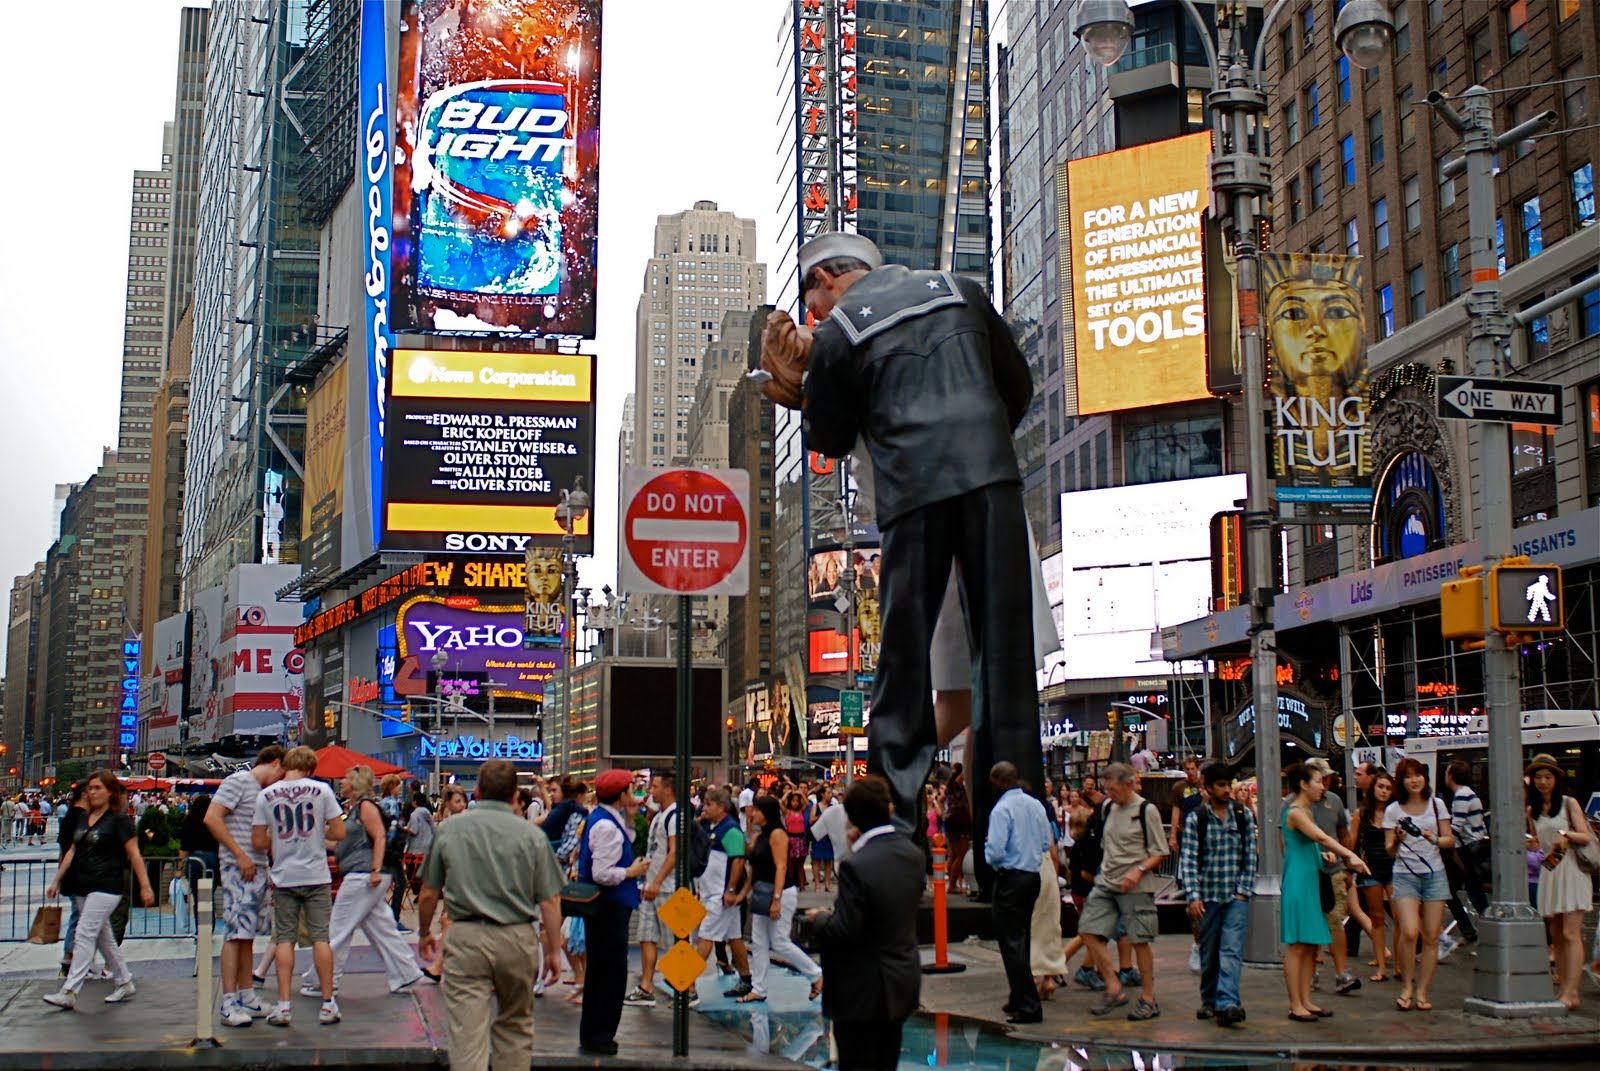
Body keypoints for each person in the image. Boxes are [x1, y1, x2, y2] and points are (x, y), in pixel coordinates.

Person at [761, 230, 1040, 852]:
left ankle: (897, 838)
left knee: (904, 663)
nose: (815, 318)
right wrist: (981, 447)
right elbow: (1017, 388)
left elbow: (828, 440)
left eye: (814, 302)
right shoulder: (962, 292)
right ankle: (1016, 846)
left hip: (913, 493)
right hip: (991, 478)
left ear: (826, 280)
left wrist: (805, 394)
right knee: (1005, 658)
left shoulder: (840, 333)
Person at [417, 760, 564, 1071]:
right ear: (515, 795)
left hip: (466, 936)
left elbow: (428, 892)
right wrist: (552, 950)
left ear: (478, 791)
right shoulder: (532, 836)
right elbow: (550, 900)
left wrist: (424, 933)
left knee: (467, 1034)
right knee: (515, 1027)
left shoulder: (450, 829)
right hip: (517, 937)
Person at [805, 776, 923, 1071]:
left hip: (862, 991)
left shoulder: (856, 866)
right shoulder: (913, 855)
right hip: (901, 981)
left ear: (851, 817)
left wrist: (819, 919)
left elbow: (845, 929)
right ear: (890, 809)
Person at [301, 766, 423, 998]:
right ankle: (406, 973)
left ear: (356, 783)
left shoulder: (365, 807)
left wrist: (375, 869)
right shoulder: (358, 808)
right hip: (368, 874)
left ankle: (324, 979)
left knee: (339, 928)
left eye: (346, 778)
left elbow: (379, 836)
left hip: (364, 875)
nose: (342, 781)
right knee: (381, 929)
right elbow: (348, 844)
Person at [42, 772, 155, 1010]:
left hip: (107, 885)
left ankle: (70, 990)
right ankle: (124, 980)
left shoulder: (119, 821)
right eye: (90, 788)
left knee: (85, 932)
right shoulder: (85, 818)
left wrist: (145, 885)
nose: (91, 792)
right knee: (104, 938)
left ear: (110, 792)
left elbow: (134, 854)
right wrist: (57, 880)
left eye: (97, 787)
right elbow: (73, 850)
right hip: (84, 885)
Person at [251, 745, 346, 1027]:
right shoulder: (323, 791)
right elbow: (339, 832)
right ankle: (328, 1003)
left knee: (284, 940)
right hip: (316, 875)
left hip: (284, 876)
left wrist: (277, 840)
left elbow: (258, 841)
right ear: (311, 768)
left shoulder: (266, 795)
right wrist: (319, 831)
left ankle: (283, 1005)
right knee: (321, 939)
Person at [1078, 763, 1168, 1021]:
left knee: (1139, 940)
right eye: (1106, 789)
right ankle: (1113, 986)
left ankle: (1148, 998)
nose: (1110, 794)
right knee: (1087, 928)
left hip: (1136, 886)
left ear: (1129, 783)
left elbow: (1160, 852)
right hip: (1106, 881)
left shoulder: (1145, 810)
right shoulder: (1108, 807)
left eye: (1113, 789)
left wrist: (1138, 870)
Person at [203, 744, 285, 1026]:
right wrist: (239, 854)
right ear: (275, 763)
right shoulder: (238, 781)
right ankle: (228, 1001)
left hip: (256, 866)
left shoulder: (260, 792)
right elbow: (212, 818)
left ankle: (246, 996)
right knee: (236, 933)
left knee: (246, 934)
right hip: (241, 866)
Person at [1282, 762, 1370, 1021]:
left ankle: (1306, 1000)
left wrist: (1326, 858)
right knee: (1298, 945)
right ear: (1303, 784)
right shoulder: (1296, 811)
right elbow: (1321, 838)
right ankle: (1295, 1004)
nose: (1323, 786)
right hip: (1299, 884)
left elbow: (1311, 847)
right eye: (1318, 781)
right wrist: (1349, 855)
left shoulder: (1305, 811)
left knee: (1310, 945)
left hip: (1310, 879)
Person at [575, 769, 650, 1056]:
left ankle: (596, 1033)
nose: (635, 795)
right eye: (631, 790)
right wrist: (632, 871)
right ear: (621, 794)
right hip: (609, 907)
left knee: (603, 971)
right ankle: (599, 1034)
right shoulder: (606, 826)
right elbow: (602, 873)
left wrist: (630, 816)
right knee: (609, 973)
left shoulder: (607, 819)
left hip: (608, 907)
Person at [1177, 763, 1257, 1028]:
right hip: (1208, 896)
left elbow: (1249, 856)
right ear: (1208, 788)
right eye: (1220, 785)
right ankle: (1209, 999)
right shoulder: (1196, 819)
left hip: (1236, 896)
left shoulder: (1243, 815)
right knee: (1209, 953)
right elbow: (1187, 860)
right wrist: (1193, 896)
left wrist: (1243, 892)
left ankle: (1227, 1002)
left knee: (1231, 950)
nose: (1226, 790)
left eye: (1228, 784)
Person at [982, 762, 1053, 1024]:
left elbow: (997, 851)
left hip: (1010, 877)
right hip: (1032, 876)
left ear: (999, 780)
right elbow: (1046, 842)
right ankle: (1018, 995)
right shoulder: (1036, 805)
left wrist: (989, 853)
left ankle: (1028, 1005)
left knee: (1011, 944)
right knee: (1022, 938)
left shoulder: (1001, 809)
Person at [1383, 758, 1453, 1012]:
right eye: (1408, 776)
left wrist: (1433, 838)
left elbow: (1449, 840)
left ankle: (1422, 991)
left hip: (1435, 874)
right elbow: (1389, 850)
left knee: (1431, 936)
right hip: (1404, 875)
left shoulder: (1437, 805)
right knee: (1410, 931)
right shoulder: (1393, 811)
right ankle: (1407, 986)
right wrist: (1399, 840)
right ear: (1401, 782)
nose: (1415, 780)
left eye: (1419, 775)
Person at [740, 794, 824, 1004]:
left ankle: (816, 974)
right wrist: (742, 893)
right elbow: (754, 869)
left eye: (757, 810)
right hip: (762, 892)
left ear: (766, 812)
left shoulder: (778, 834)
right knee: (759, 942)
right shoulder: (760, 836)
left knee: (779, 941)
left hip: (781, 892)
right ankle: (759, 988)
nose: (753, 814)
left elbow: (781, 866)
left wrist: (776, 899)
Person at [1524, 753, 1591, 1011]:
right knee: (1556, 936)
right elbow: (1539, 843)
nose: (1543, 782)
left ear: (1556, 779)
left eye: (1548, 777)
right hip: (1550, 871)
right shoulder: (1533, 810)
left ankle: (1572, 991)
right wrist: (1531, 844)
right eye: (1538, 777)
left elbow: (1585, 836)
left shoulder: (1569, 803)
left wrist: (1566, 834)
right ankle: (1563, 988)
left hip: (1571, 871)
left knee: (1570, 933)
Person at [626, 771, 687, 1008]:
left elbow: (675, 851)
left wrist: (658, 881)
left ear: (669, 789)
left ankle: (687, 989)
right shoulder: (661, 815)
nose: (651, 790)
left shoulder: (675, 815)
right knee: (646, 936)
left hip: (669, 886)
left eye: (656, 786)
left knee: (676, 941)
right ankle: (646, 987)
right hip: (653, 886)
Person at [1304, 758, 1360, 995]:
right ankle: (1310, 975)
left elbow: (1343, 834)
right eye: (1319, 779)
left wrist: (1347, 866)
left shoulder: (1334, 801)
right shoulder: (1293, 804)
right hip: (1307, 872)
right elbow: (1285, 840)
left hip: (1333, 870)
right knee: (1308, 924)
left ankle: (1341, 973)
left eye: (1326, 778)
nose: (1324, 783)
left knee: (1335, 920)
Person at [692, 788, 752, 1000]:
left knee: (706, 937)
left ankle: (687, 984)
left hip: (721, 895)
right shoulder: (711, 827)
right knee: (734, 937)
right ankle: (746, 979)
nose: (704, 808)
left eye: (709, 805)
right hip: (713, 892)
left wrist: (731, 889)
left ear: (721, 807)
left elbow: (737, 860)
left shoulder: (731, 830)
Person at [1352, 771, 1396, 981]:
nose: (1384, 791)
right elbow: (1352, 844)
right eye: (1381, 787)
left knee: (1399, 918)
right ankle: (1381, 965)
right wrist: (1352, 866)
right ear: (1373, 788)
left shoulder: (1396, 812)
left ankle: (1399, 964)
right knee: (1376, 917)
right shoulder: (1361, 813)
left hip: (1395, 868)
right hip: (1371, 870)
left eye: (1388, 788)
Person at [1169, 756, 1205, 976]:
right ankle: (1198, 945)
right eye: (1187, 769)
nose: (1190, 772)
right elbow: (1176, 811)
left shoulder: (1204, 786)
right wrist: (1173, 835)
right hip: (1187, 841)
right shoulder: (1180, 789)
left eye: (1193, 769)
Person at [1445, 759, 1490, 919]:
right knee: (1472, 888)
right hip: (1475, 845)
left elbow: (1456, 827)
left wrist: (1440, 838)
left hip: (1468, 848)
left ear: (1451, 775)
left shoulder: (1462, 795)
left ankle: (1485, 923)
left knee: (1471, 889)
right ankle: (1483, 923)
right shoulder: (1469, 793)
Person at [943, 766, 973, 895]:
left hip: (950, 822)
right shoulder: (959, 788)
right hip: (959, 823)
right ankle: (952, 884)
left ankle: (951, 883)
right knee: (960, 855)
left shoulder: (950, 787)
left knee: (952, 855)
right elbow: (962, 806)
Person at [810, 784, 838, 892]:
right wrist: (822, 816)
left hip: (829, 837)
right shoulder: (816, 806)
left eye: (831, 793)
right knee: (816, 861)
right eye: (828, 793)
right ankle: (817, 884)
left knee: (828, 862)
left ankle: (827, 884)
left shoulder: (832, 807)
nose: (830, 795)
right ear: (822, 794)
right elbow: (811, 820)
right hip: (818, 837)